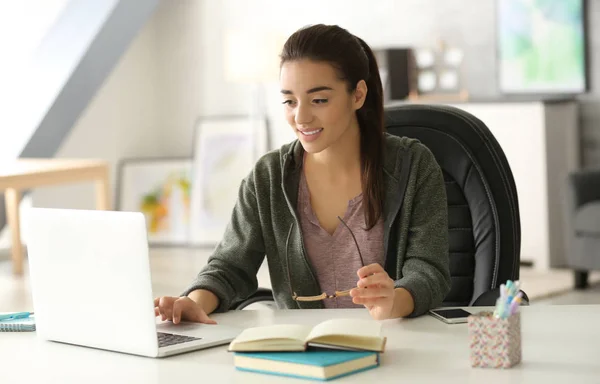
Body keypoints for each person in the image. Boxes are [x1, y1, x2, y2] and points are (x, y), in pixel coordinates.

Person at [154, 24, 451, 324]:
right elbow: (229, 267)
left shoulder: (413, 165)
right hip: (304, 355)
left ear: (358, 95)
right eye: (289, 101)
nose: (301, 117)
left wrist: (394, 301)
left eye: (319, 100)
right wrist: (194, 302)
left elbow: (429, 271)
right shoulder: (267, 177)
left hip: (397, 349)